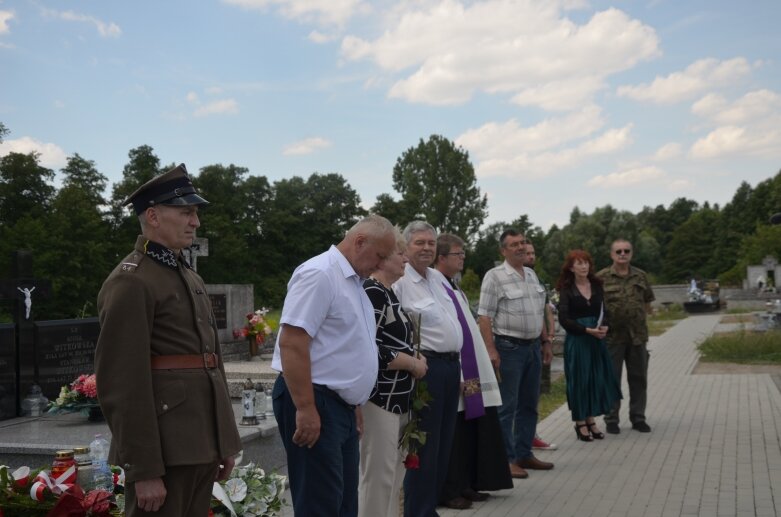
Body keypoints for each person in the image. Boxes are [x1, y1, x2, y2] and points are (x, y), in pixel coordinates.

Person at [94, 164, 242, 516]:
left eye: (195, 213)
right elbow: (122, 382)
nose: (196, 222)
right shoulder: (132, 281)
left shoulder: (188, 277)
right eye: (186, 212)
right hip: (165, 450)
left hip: (198, 443)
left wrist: (223, 440)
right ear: (153, 216)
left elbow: (211, 363)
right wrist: (143, 468)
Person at [271, 214, 397, 517]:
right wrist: (305, 407)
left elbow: (341, 348)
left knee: (341, 503)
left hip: (336, 405)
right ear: (359, 241)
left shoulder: (353, 282)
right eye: (380, 256)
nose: (381, 265)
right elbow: (292, 342)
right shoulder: (320, 274)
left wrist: (352, 401)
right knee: (320, 503)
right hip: (314, 400)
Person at [435, 234, 512, 509]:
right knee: (454, 432)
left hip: (471, 373)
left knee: (471, 423)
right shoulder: (436, 287)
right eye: (458, 254)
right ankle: (450, 487)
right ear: (441, 258)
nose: (463, 258)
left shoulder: (455, 288)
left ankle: (467, 482)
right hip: (454, 371)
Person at [393, 221, 463, 517]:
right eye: (419, 242)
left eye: (431, 243)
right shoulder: (400, 282)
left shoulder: (436, 277)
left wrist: (459, 374)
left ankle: (429, 507)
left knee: (444, 444)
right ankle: (417, 511)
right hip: (425, 369)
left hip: (449, 366)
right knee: (424, 445)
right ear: (406, 247)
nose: (426, 248)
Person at [358, 229, 429, 517]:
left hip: (400, 398)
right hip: (380, 399)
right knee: (378, 477)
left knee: (394, 476)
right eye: (400, 254)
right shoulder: (373, 292)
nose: (405, 259)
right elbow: (369, 349)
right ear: (381, 259)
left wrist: (415, 355)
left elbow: (396, 342)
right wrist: (412, 364)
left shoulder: (389, 292)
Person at [478, 229, 554, 480]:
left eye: (523, 243)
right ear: (503, 251)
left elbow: (537, 311)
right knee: (507, 407)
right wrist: (490, 348)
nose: (521, 247)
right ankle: (506, 460)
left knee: (529, 404)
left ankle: (524, 453)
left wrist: (545, 341)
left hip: (532, 346)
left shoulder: (531, 275)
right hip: (509, 348)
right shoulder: (495, 277)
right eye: (514, 245)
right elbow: (485, 316)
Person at [555, 250, 622, 442]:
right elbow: (564, 319)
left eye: (586, 263)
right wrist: (586, 330)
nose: (584, 266)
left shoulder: (597, 285)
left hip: (596, 340)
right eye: (579, 263)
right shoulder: (566, 289)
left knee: (594, 380)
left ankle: (591, 420)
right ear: (571, 267)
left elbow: (605, 311)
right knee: (579, 382)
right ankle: (580, 422)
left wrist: (605, 326)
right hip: (578, 340)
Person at [597, 239, 655, 434]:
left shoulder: (641, 276)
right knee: (612, 379)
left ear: (631, 253)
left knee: (639, 378)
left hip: (637, 336)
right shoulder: (601, 278)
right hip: (612, 337)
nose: (623, 254)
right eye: (619, 251)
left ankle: (638, 417)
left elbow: (647, 302)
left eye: (626, 251)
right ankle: (611, 419)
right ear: (611, 254)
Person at [522, 241, 558, 451]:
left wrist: (550, 337)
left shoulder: (537, 279)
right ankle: (521, 440)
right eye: (527, 253)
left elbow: (545, 310)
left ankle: (531, 435)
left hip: (539, 341)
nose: (531, 257)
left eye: (533, 253)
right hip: (517, 346)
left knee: (535, 394)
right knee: (517, 399)